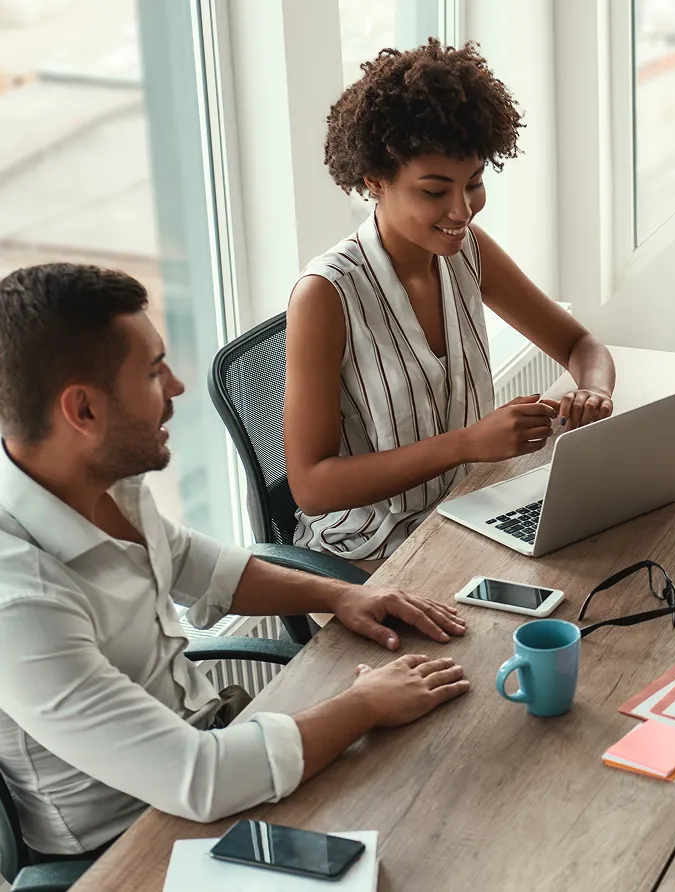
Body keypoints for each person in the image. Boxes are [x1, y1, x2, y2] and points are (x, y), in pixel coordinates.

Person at [0, 264, 470, 859]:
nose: (176, 386)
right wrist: (365, 704)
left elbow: (202, 564)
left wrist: (339, 595)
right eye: (152, 372)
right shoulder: (19, 604)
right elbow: (199, 780)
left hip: (209, 745)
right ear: (83, 412)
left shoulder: (100, 480)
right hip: (130, 842)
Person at [286, 40, 616, 567]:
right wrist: (467, 444)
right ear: (375, 181)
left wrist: (593, 393)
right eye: (435, 191)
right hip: (372, 545)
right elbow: (312, 488)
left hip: (469, 506)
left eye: (475, 183)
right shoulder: (327, 294)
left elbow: (580, 344)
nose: (462, 210)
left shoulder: (468, 251)